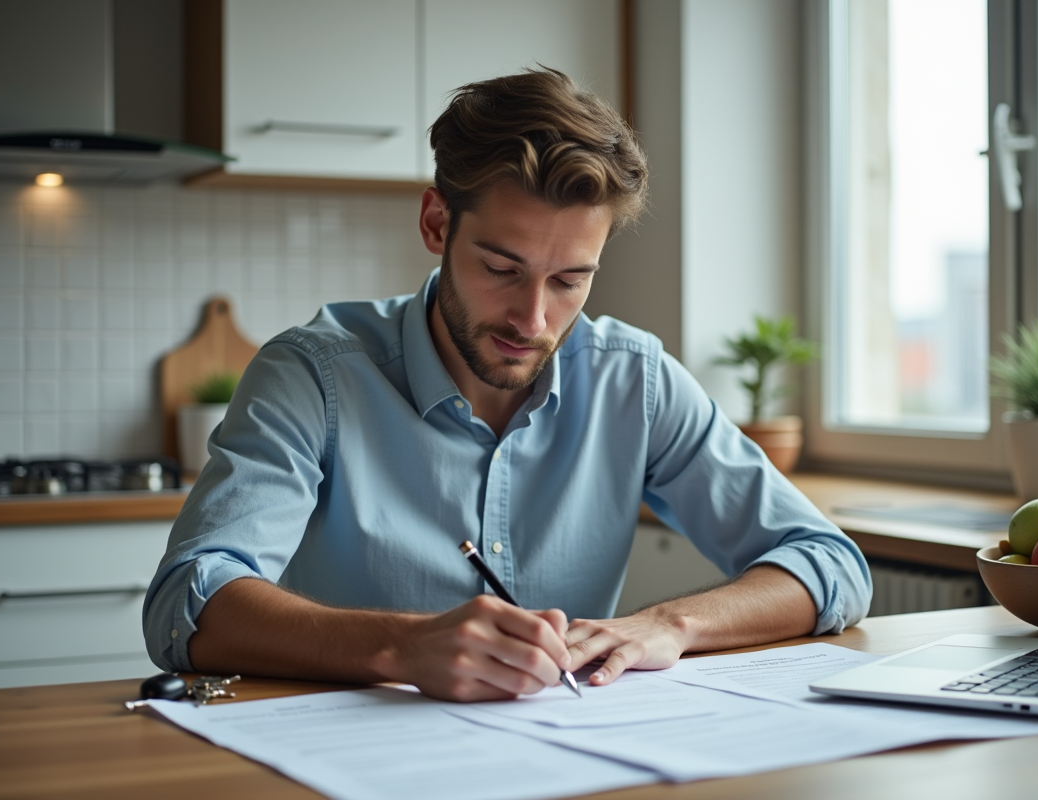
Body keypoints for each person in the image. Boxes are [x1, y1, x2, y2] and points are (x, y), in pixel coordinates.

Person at [143, 68, 871, 702]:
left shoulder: (633, 379)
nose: (533, 317)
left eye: (570, 280)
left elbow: (829, 563)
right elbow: (188, 601)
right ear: (436, 223)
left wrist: (666, 626)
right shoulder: (312, 373)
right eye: (502, 269)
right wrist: (403, 646)